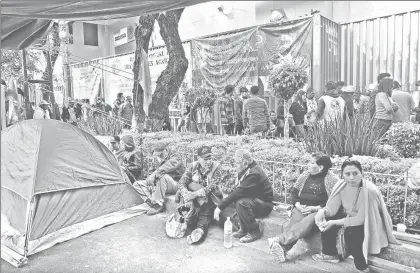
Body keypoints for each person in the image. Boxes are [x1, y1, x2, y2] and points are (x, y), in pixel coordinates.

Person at [312, 160, 400, 273]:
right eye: (347, 174)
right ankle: (330, 254)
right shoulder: (340, 185)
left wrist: (335, 222)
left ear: (362, 174)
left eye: (355, 173)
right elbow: (332, 209)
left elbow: (360, 219)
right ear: (342, 175)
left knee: (352, 233)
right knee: (326, 222)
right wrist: (322, 212)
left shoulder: (369, 191)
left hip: (369, 222)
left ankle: (362, 267)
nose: (352, 177)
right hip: (349, 217)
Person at [268, 153, 340, 263]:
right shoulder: (305, 175)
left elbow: (334, 201)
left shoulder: (332, 179)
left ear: (320, 167)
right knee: (295, 223)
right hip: (301, 208)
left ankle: (280, 240)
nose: (308, 165)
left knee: (306, 222)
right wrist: (297, 205)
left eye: (311, 163)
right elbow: (294, 193)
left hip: (318, 211)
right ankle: (282, 248)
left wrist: (315, 208)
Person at [214, 149, 274, 243]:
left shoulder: (254, 173)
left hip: (265, 205)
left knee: (241, 203)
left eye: (237, 163)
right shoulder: (248, 168)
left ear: (245, 162)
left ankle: (255, 231)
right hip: (255, 200)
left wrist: (219, 207)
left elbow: (239, 192)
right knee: (234, 202)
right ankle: (244, 229)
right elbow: (239, 191)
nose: (235, 165)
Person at [178, 146, 223, 244]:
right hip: (195, 198)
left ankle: (200, 231)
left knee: (205, 212)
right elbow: (182, 182)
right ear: (198, 158)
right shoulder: (193, 166)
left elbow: (211, 187)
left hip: (212, 198)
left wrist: (194, 194)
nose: (208, 161)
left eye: (210, 158)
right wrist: (186, 193)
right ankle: (184, 222)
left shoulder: (216, 167)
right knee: (186, 204)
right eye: (205, 159)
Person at [133, 142, 185, 216]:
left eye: (160, 154)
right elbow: (150, 172)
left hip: (175, 183)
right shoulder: (156, 158)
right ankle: (151, 202)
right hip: (160, 183)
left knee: (163, 177)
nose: (159, 156)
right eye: (157, 154)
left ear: (166, 150)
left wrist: (154, 175)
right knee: (137, 184)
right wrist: (149, 182)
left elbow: (167, 166)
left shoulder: (176, 156)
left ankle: (158, 204)